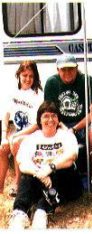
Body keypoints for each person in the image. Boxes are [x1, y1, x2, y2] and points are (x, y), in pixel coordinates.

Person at [8, 101, 83, 229]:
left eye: (54, 116)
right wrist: (39, 173)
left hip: (67, 183)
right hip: (41, 179)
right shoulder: (31, 139)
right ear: (39, 120)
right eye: (46, 116)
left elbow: (71, 156)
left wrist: (49, 168)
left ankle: (42, 211)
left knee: (63, 170)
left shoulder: (66, 136)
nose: (50, 119)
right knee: (27, 175)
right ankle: (19, 213)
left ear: (58, 119)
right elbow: (22, 161)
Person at [44, 54, 92, 190]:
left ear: (77, 68)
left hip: (85, 123)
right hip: (62, 124)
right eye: (63, 69)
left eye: (71, 69)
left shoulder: (86, 80)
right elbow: (49, 113)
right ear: (57, 70)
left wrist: (75, 129)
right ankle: (57, 176)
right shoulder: (51, 83)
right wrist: (63, 128)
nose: (67, 73)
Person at [0, 61, 43, 196]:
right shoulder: (13, 93)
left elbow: (37, 124)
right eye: (25, 75)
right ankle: (0, 187)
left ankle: (18, 184)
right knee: (3, 148)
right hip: (17, 131)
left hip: (32, 132)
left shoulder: (38, 95)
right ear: (18, 75)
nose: (28, 79)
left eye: (31, 76)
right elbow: (6, 117)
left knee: (16, 143)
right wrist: (3, 137)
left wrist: (17, 136)